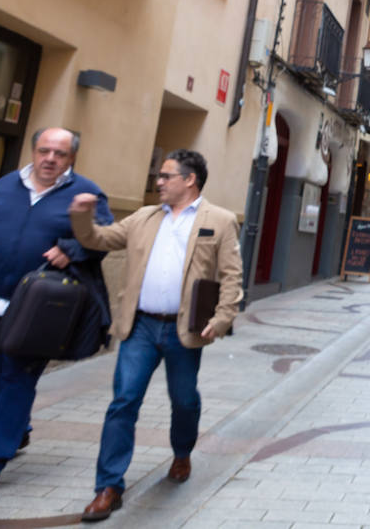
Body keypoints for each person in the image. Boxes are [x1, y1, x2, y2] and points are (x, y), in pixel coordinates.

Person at [0, 127, 112, 500]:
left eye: (59, 153)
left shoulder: (87, 193)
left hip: (38, 311)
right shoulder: (3, 186)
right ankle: (18, 428)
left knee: (18, 381)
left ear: (71, 158)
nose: (50, 158)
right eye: (44, 150)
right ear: (33, 151)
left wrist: (72, 250)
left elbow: (104, 236)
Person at [68, 149, 242, 521]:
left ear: (189, 180)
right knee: (124, 401)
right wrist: (82, 215)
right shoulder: (144, 217)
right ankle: (109, 486)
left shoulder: (221, 221)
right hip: (141, 326)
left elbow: (231, 276)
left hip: (185, 328)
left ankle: (182, 452)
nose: (158, 182)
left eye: (166, 176)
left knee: (184, 401)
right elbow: (97, 239)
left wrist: (224, 317)